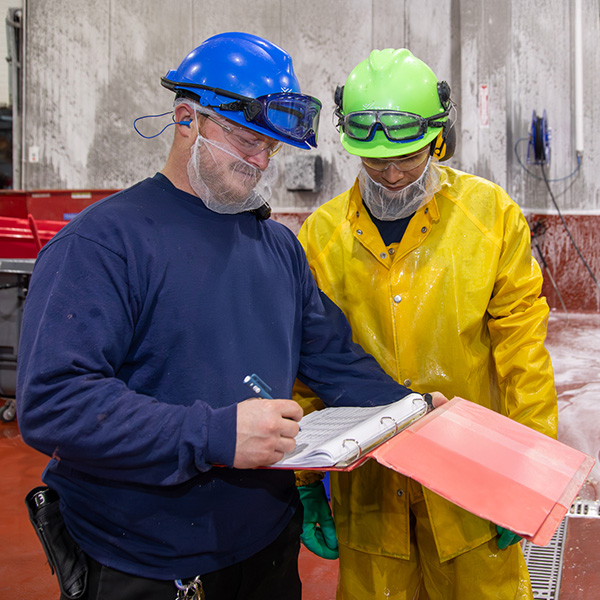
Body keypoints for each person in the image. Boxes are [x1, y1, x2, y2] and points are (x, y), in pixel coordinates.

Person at [16, 34, 445, 600]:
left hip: (267, 550)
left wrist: (413, 410)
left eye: (270, 147)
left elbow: (333, 359)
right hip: (147, 561)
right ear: (186, 119)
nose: (261, 162)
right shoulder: (103, 244)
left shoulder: (277, 246)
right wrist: (214, 434)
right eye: (246, 141)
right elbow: (54, 402)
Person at [296, 48, 558, 599]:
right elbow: (307, 364)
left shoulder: (490, 218)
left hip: (472, 486)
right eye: (375, 161)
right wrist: (305, 482)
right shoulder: (322, 236)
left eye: (408, 157)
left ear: (438, 138)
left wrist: (531, 473)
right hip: (371, 489)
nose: (391, 175)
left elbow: (522, 352)